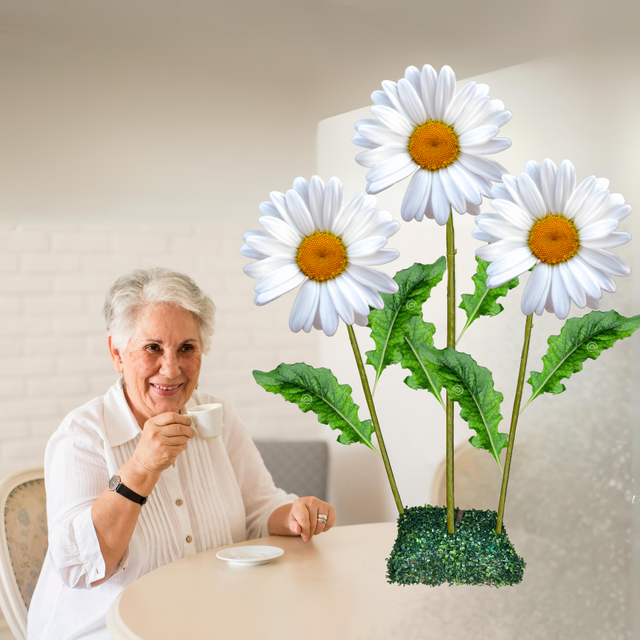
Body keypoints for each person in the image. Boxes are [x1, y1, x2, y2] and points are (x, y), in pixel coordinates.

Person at [28, 267, 336, 639]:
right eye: (152, 348)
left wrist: (294, 515)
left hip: (206, 621)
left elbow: (259, 511)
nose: (170, 368)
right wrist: (142, 467)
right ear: (117, 353)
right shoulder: (81, 437)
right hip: (106, 630)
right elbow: (80, 567)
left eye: (186, 348)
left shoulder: (218, 417)